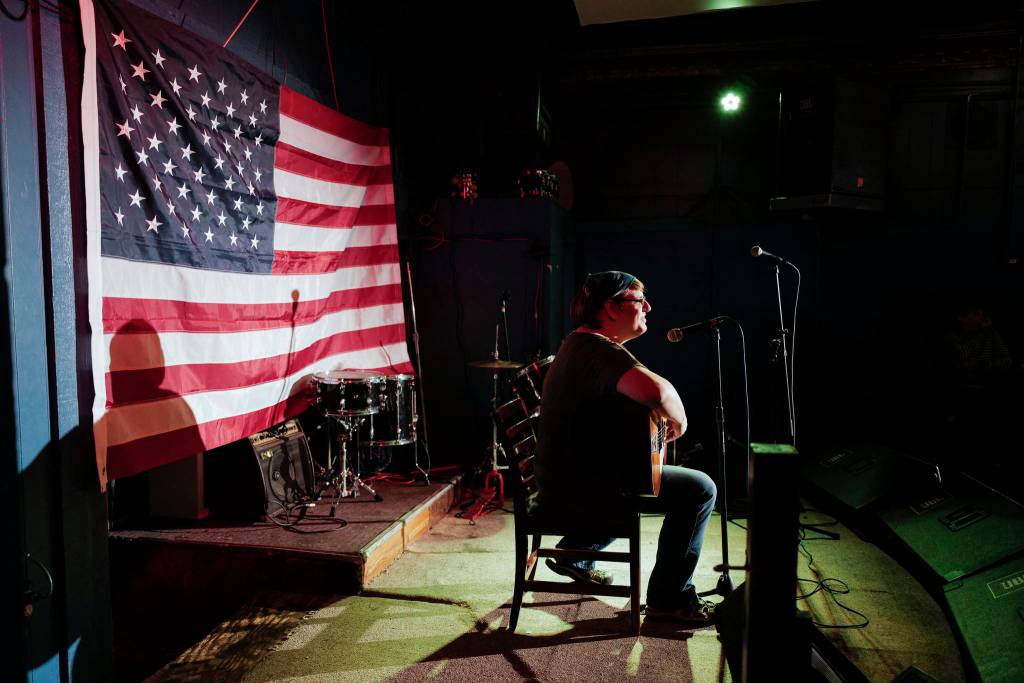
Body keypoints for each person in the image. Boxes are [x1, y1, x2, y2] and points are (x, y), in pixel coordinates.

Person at [534, 270, 718, 625]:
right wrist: (678, 417)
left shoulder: (582, 344)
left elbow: (647, 384)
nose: (648, 306)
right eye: (638, 300)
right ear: (611, 308)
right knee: (700, 489)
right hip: (579, 490)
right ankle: (670, 600)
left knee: (641, 476)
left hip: (570, 477)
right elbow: (657, 392)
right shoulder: (596, 350)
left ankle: (579, 551)